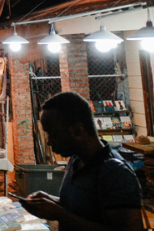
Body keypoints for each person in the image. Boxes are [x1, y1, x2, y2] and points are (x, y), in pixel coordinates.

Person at [20, 92, 142, 231]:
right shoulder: (76, 160)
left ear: (78, 129)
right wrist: (51, 202)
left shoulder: (115, 173)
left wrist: (60, 214)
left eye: (53, 134)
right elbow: (85, 209)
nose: (48, 141)